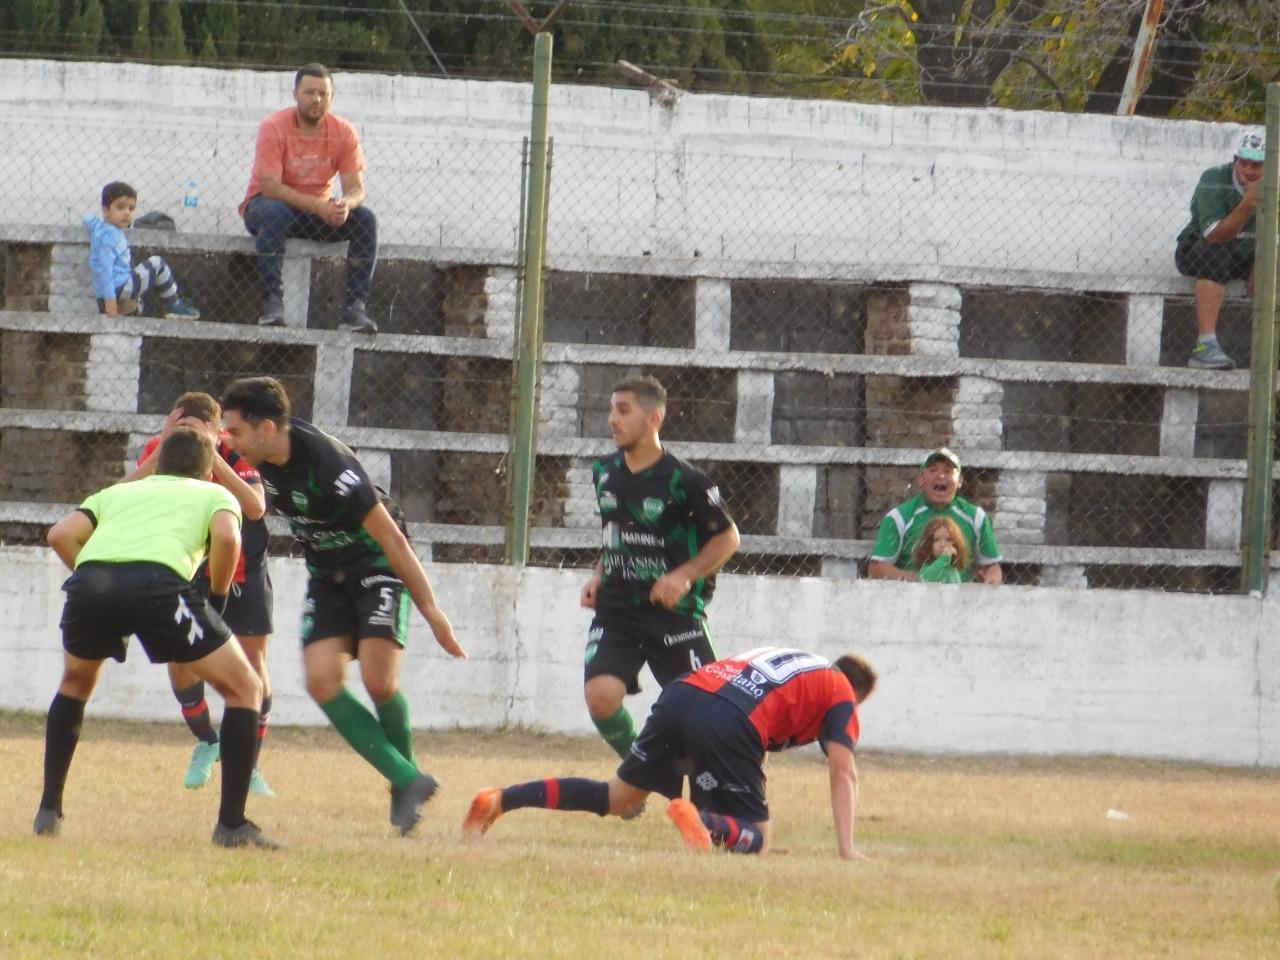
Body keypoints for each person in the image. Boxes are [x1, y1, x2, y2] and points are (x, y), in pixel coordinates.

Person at [218, 376, 464, 835]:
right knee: (321, 680)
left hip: (376, 562)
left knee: (378, 679)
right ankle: (408, 779)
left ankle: (403, 782)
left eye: (234, 431)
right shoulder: (257, 457)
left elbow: (390, 536)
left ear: (267, 428)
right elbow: (248, 505)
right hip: (327, 573)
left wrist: (430, 609)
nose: (228, 440)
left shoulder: (329, 465)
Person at [35, 427, 278, 849]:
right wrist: (215, 598)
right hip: (160, 585)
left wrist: (100, 585)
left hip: (91, 583)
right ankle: (233, 825)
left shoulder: (117, 493)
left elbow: (60, 535)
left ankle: (48, 810)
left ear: (158, 462)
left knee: (75, 684)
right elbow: (226, 537)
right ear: (207, 472)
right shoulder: (214, 494)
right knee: (246, 688)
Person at [464, 646, 877, 860]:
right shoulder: (840, 690)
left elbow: (757, 749)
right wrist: (846, 849)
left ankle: (500, 799)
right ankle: (701, 818)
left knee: (616, 797)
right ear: (856, 694)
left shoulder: (797, 665)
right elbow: (844, 772)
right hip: (728, 717)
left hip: (684, 693)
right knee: (758, 843)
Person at [580, 375, 740, 781]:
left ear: (653, 418)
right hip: (617, 608)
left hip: (674, 614)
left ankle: (731, 795)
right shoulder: (605, 473)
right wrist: (599, 573)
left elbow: (728, 538)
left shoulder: (685, 480)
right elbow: (614, 533)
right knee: (601, 696)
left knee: (707, 715)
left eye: (623, 410)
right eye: (612, 409)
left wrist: (684, 576)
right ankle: (642, 774)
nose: (612, 419)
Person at [124, 392, 275, 796]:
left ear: (215, 430)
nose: (188, 436)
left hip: (240, 569)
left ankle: (249, 767)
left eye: (197, 429)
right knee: (181, 663)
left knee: (253, 665)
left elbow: (255, 507)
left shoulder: (233, 454)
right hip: (187, 568)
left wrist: (214, 455)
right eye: (181, 427)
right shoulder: (159, 449)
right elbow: (126, 493)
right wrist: (166, 444)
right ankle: (209, 742)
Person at [239, 63, 378, 333]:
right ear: (295, 94)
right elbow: (270, 187)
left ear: (331, 97)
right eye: (309, 92)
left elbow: (356, 189)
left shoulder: (344, 131)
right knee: (275, 211)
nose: (316, 99)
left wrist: (343, 206)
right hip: (266, 208)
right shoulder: (274, 126)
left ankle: (354, 309)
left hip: (317, 213)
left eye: (323, 94)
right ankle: (271, 303)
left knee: (365, 219)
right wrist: (319, 206)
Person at [1176, 130, 1265, 370]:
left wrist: (1264, 263)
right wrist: (1248, 203)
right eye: (1243, 162)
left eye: (1257, 164)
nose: (1249, 170)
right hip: (1201, 248)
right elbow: (1215, 235)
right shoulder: (1214, 178)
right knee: (1214, 252)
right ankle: (1205, 346)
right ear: (1235, 161)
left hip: (1250, 255)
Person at [867, 448, 1002, 584]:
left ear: (960, 481)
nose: (941, 476)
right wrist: (920, 580)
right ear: (920, 479)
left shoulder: (976, 517)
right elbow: (877, 569)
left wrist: (991, 578)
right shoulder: (899, 517)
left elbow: (992, 566)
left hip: (961, 598)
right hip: (912, 598)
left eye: (948, 471)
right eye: (933, 470)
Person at [83, 181, 200, 320]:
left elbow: (87, 218)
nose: (127, 212)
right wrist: (110, 302)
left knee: (137, 281)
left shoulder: (100, 227)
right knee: (157, 264)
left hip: (108, 291)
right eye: (120, 207)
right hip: (119, 288)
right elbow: (105, 269)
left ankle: (131, 306)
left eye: (131, 208)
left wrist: (90, 220)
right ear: (106, 210)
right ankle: (173, 304)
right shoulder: (110, 237)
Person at [911, 516, 968, 584]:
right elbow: (924, 579)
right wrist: (943, 559)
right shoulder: (927, 566)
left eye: (948, 540)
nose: (942, 544)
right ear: (928, 544)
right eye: (936, 540)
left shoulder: (953, 569)